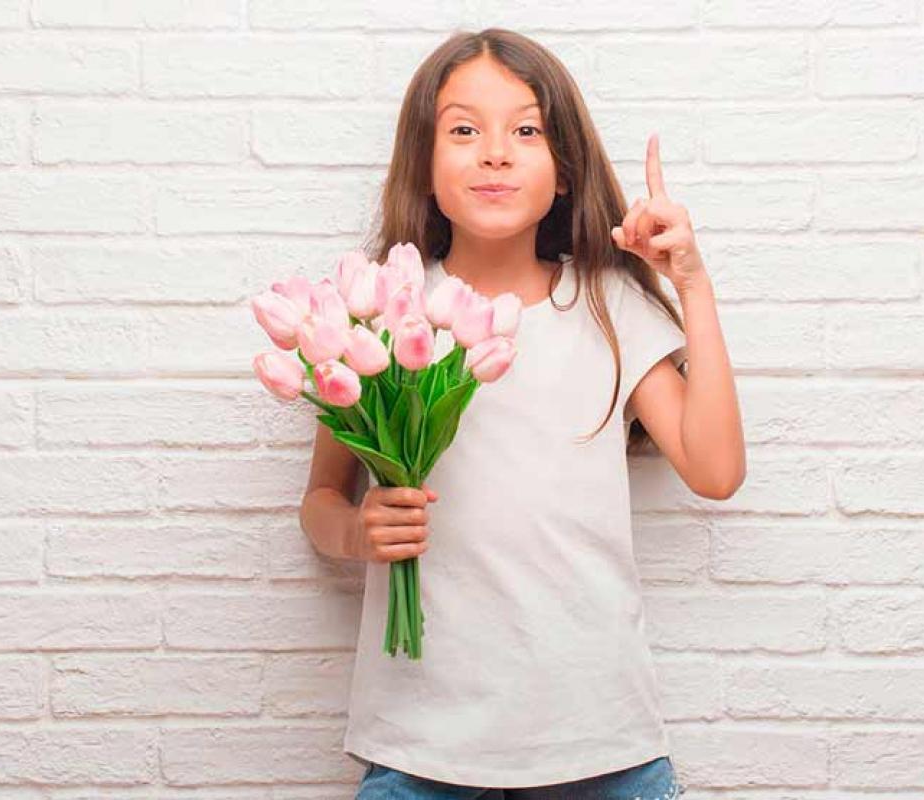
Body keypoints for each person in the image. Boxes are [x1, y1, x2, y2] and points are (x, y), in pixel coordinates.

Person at [299, 27, 746, 800]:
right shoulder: (380, 314)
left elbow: (715, 470)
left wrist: (691, 283)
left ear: (564, 167)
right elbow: (321, 501)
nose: (495, 152)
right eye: (464, 129)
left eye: (526, 129)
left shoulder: (607, 306)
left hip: (600, 740)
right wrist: (355, 534)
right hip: (421, 742)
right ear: (425, 163)